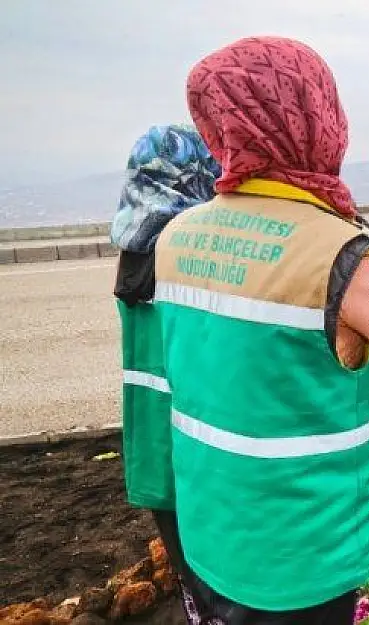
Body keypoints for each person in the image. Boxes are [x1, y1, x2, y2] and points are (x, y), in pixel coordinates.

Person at [154, 36, 369, 624]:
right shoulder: (340, 253)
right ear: (313, 116)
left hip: (213, 525)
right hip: (304, 551)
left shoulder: (176, 236)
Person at [110, 122, 221, 618]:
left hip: (155, 449)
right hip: (195, 446)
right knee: (217, 575)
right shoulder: (190, 250)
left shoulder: (133, 241)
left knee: (189, 573)